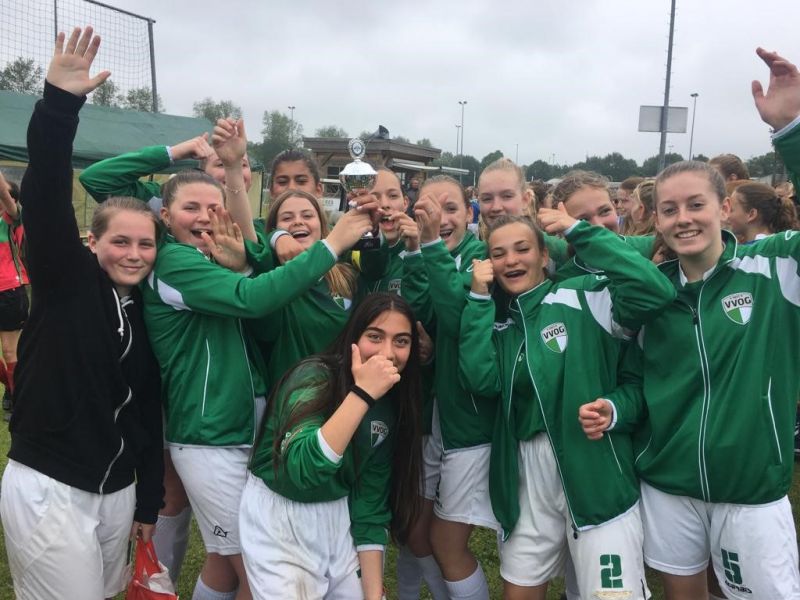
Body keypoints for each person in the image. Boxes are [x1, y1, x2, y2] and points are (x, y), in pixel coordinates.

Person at [580, 46, 800, 600]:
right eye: (670, 209)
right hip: (668, 483)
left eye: (696, 205)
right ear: (655, 218)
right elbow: (639, 381)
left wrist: (792, 130)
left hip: (749, 489)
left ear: (724, 209)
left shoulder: (773, 267)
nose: (684, 219)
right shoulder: (651, 292)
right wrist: (616, 409)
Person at [144, 116, 373, 599]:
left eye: (212, 207)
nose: (204, 216)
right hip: (221, 434)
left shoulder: (340, 277)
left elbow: (250, 268)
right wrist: (325, 243)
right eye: (190, 207)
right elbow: (254, 287)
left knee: (232, 562)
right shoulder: (187, 263)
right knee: (254, 565)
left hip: (257, 425)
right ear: (165, 215)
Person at [0, 27, 164, 599]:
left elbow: (145, 409)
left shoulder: (144, 309)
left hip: (117, 489)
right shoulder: (66, 280)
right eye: (120, 242)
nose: (134, 254)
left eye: (145, 244)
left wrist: (147, 503)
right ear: (92, 242)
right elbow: (45, 191)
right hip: (51, 483)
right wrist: (59, 106)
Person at [461, 208, 673, 599]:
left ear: (545, 255)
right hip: (527, 479)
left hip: (595, 469)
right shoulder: (503, 324)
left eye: (522, 249)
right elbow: (480, 378)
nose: (511, 260)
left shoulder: (585, 294)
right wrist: (477, 298)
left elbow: (654, 290)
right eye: (498, 254)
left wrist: (581, 232)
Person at [239, 293, 423, 600]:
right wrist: (362, 394)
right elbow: (303, 470)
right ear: (354, 337)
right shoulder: (312, 377)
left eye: (401, 341)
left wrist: (374, 595)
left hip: (338, 514)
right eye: (375, 337)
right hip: (280, 516)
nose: (387, 353)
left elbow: (370, 506)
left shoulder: (391, 406)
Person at [0, 179, 29, 419]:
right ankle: (11, 386)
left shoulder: (12, 217)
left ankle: (18, 398)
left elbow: (7, 200)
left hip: (9, 291)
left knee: (10, 351)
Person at [727, 180, 797, 242]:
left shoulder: (761, 250)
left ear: (751, 214)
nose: (726, 215)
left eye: (731, 210)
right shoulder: (777, 245)